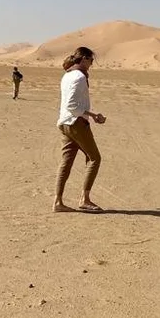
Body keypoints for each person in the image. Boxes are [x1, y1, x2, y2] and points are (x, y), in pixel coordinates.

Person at [54, 46, 106, 213]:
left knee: (66, 162)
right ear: (83, 58)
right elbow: (72, 106)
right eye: (91, 60)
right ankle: (85, 199)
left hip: (65, 123)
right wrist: (92, 114)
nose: (91, 64)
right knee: (94, 158)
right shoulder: (79, 77)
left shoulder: (67, 75)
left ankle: (58, 202)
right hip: (75, 123)